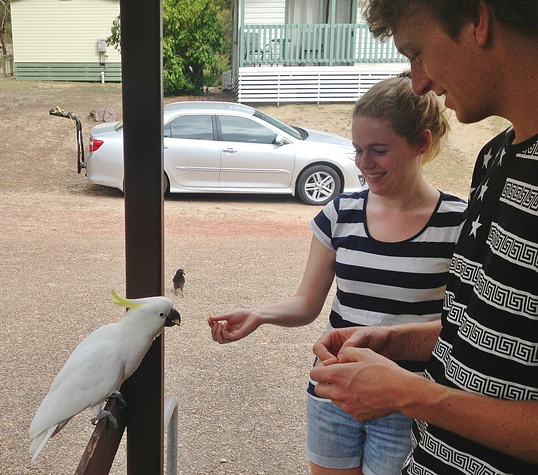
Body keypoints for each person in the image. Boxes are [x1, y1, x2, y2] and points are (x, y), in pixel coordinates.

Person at [310, 1, 538, 473]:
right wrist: (394, 342)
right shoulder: (497, 157)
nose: (418, 83)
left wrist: (411, 395)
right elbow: (484, 333)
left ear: (479, 19)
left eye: (416, 52)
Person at [208, 74, 468, 475]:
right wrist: (259, 314)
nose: (364, 164)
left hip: (404, 403)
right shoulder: (340, 212)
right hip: (333, 391)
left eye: (378, 150)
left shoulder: (459, 223)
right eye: (357, 150)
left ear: (423, 143)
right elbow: (307, 303)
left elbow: (459, 327)